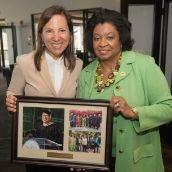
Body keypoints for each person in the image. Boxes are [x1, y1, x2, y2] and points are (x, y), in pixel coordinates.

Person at [77, 8, 172, 172]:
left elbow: (168, 108)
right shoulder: (86, 73)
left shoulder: (144, 65)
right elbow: (79, 121)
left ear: (121, 38)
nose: (102, 43)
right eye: (97, 38)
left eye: (110, 37)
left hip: (136, 162)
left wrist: (133, 112)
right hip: (97, 162)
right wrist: (79, 156)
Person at [6, 4, 83, 172]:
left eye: (62, 30)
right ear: (41, 34)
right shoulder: (24, 62)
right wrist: (11, 100)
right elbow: (13, 94)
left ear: (70, 34)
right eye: (49, 31)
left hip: (66, 154)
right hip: (37, 157)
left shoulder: (78, 65)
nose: (56, 37)